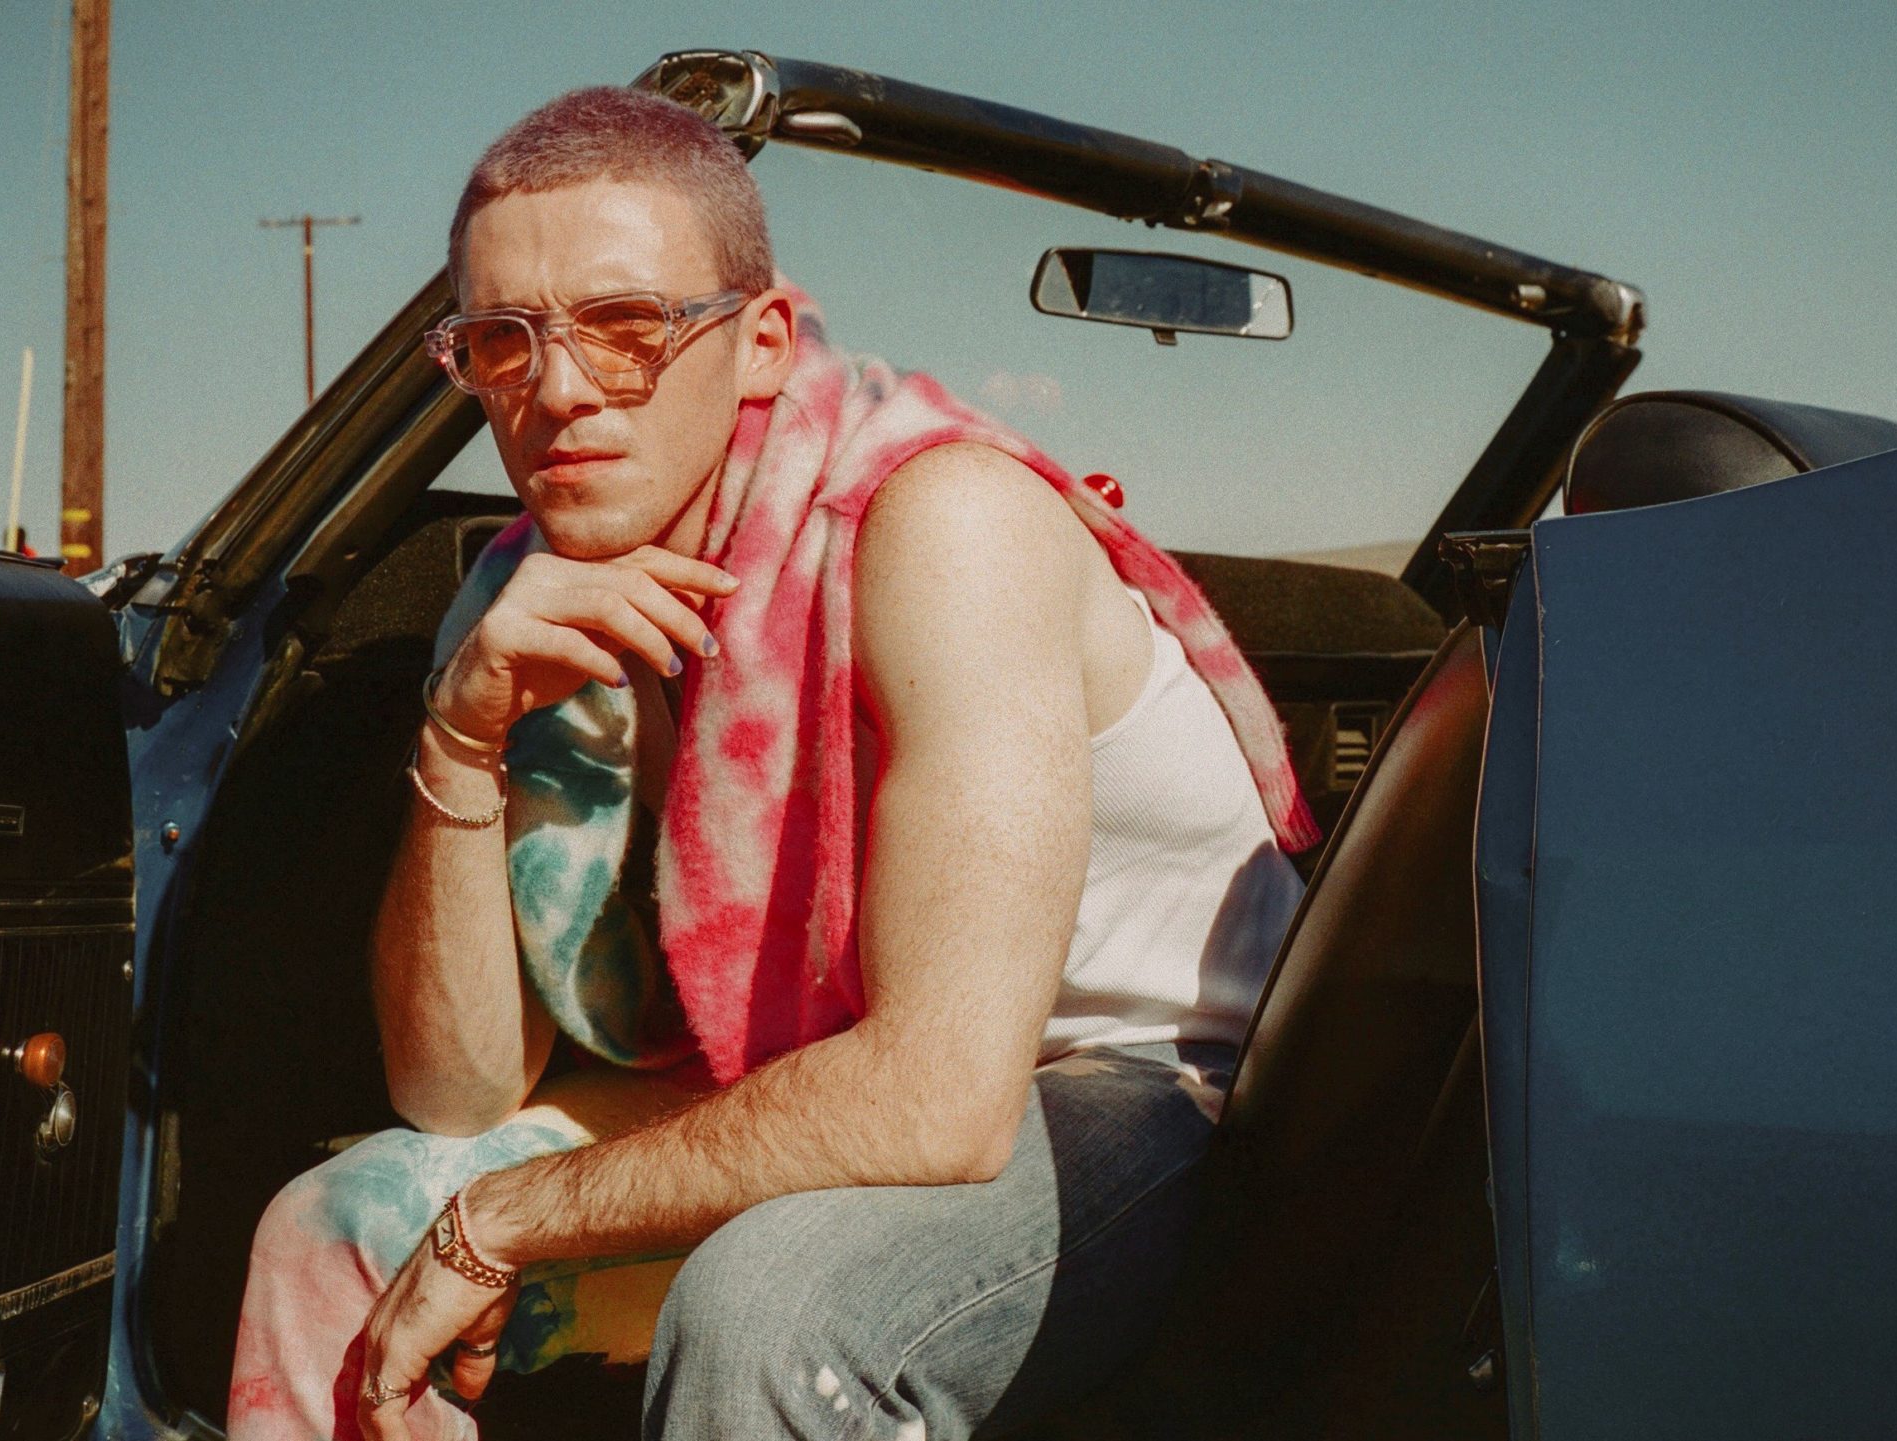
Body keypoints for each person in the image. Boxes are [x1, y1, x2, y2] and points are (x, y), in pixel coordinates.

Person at [227, 84, 1313, 1441]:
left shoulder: (942, 523)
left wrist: (505, 1218)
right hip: (831, 1065)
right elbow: (451, 1092)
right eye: (502, 342)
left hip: (1132, 1081)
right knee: (338, 1222)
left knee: (771, 1312)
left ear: (762, 341)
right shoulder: (529, 594)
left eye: (626, 328)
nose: (559, 391)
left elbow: (940, 1097)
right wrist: (464, 728)